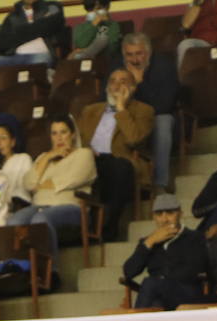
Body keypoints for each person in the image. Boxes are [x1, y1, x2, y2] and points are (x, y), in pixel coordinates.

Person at [77, 68, 154, 239]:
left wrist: (121, 108)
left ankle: (107, 229)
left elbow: (134, 139)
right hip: (90, 160)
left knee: (119, 167)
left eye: (123, 81)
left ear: (133, 88)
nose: (116, 85)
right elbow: (78, 140)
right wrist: (86, 152)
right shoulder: (90, 110)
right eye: (113, 81)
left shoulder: (144, 111)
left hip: (120, 161)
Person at [10, 115, 97, 252]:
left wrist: (42, 185)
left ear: (73, 135)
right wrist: (48, 157)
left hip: (71, 207)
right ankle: (18, 268)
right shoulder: (43, 157)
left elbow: (72, 179)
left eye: (63, 132)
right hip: (39, 206)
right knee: (13, 222)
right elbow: (28, 184)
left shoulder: (84, 154)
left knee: (40, 219)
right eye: (54, 133)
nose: (59, 138)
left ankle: (51, 271)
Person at [116, 32, 180, 195]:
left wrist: (139, 83)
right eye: (129, 55)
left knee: (163, 122)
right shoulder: (117, 67)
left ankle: (159, 183)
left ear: (148, 52)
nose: (135, 60)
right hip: (128, 116)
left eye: (139, 54)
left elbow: (164, 106)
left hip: (157, 116)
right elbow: (105, 98)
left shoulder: (164, 66)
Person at [122, 193, 209, 310]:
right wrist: (150, 242)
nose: (164, 219)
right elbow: (128, 272)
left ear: (180, 214)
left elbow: (193, 271)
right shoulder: (148, 241)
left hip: (186, 294)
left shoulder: (195, 237)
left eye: (169, 213)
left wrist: (160, 281)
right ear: (154, 217)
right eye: (159, 214)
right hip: (158, 295)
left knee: (150, 284)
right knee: (155, 303)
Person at [0, 0, 65, 76]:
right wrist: (38, 27)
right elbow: (1, 43)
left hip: (40, 55)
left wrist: (17, 33)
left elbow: (51, 25)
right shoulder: (12, 16)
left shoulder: (52, 7)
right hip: (14, 58)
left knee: (36, 69)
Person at [0, 123, 34, 206]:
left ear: (12, 142)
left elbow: (24, 191)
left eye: (3, 138)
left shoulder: (23, 159)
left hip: (14, 208)